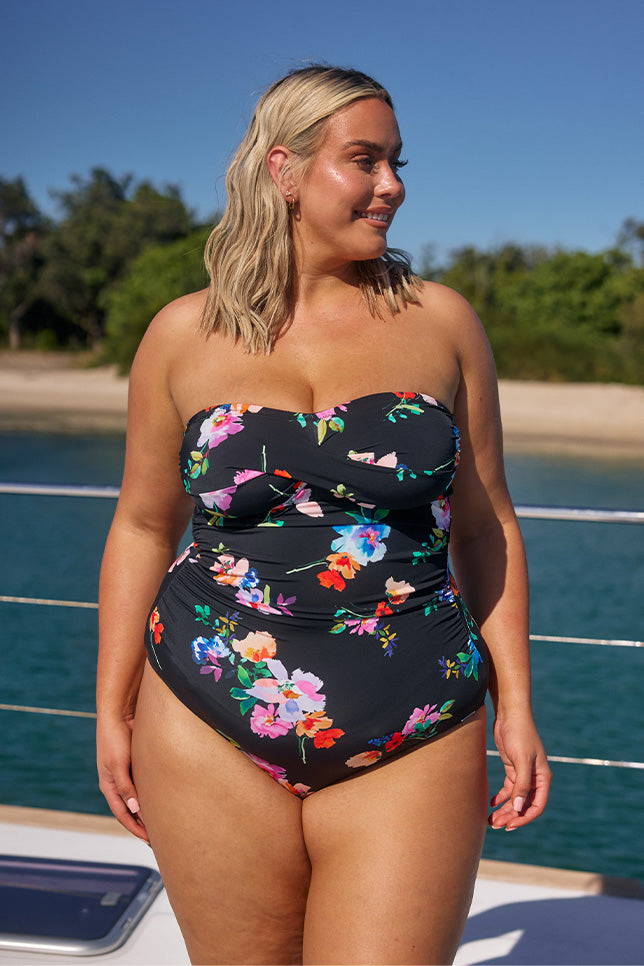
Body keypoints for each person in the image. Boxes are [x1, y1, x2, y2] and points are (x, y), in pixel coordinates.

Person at [97, 64, 551, 965]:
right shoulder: (182, 335)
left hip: (416, 720)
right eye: (365, 160)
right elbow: (144, 525)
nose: (394, 185)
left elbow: (484, 526)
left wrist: (518, 708)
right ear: (285, 170)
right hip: (203, 721)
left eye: (397, 162)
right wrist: (110, 709)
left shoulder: (443, 324)